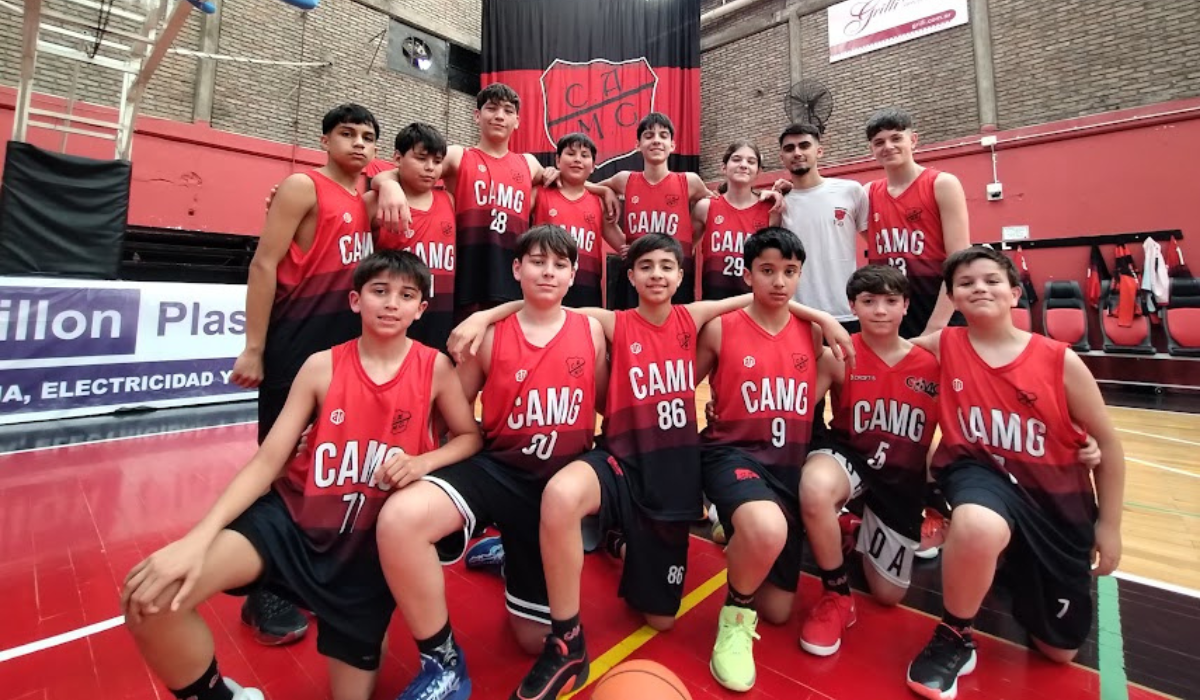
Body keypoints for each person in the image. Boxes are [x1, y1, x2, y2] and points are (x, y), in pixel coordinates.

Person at [449, 233, 851, 700]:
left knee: (665, 620)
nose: (657, 275)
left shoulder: (692, 317)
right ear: (632, 276)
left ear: (681, 277)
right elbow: (545, 303)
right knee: (561, 494)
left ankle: (615, 542)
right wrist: (483, 315)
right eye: (646, 267)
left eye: (666, 266)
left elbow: (762, 295)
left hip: (672, 474)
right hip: (621, 459)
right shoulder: (611, 322)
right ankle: (568, 640)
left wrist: (823, 317)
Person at [121, 251, 483, 700]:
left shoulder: (435, 368)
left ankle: (360, 632)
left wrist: (422, 463)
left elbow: (469, 437)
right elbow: (267, 460)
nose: (392, 303)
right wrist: (197, 539)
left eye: (406, 295)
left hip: (365, 554)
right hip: (294, 523)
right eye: (380, 291)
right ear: (355, 300)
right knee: (152, 600)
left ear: (421, 309)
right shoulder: (320, 366)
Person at [375, 225, 608, 700]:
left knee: (532, 642)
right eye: (537, 262)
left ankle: (505, 551)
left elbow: (607, 402)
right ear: (516, 269)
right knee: (399, 519)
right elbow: (449, 413)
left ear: (573, 274)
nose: (548, 272)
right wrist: (415, 457)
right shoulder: (488, 337)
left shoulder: (592, 330)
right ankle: (442, 660)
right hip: (499, 470)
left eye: (559, 264)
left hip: (558, 488)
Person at [905, 246, 1125, 700]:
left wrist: (1110, 525)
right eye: (966, 283)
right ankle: (955, 634)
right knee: (977, 523)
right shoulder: (945, 345)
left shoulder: (1060, 360)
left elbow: (1108, 445)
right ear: (953, 298)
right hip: (980, 477)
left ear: (1014, 293)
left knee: (1058, 650)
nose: (979, 288)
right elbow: (880, 351)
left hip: (1052, 502)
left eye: (991, 280)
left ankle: (1006, 564)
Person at [229, 103, 381, 644]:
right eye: (347, 133)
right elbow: (263, 264)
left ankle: (301, 571)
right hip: (294, 340)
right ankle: (260, 590)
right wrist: (254, 347)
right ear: (324, 139)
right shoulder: (301, 187)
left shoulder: (364, 198)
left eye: (367, 137)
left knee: (318, 463)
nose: (358, 143)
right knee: (275, 462)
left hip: (338, 350)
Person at [697, 227, 840, 692]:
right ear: (747, 274)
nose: (779, 282)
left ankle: (735, 525)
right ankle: (735, 618)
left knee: (778, 611)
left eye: (790, 271)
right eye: (767, 270)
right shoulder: (721, 328)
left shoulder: (813, 331)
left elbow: (822, 381)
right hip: (731, 453)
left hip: (786, 467)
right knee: (767, 528)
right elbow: (679, 385)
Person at [372, 84, 615, 318]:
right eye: (492, 108)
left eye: (508, 111)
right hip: (468, 278)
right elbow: (408, 172)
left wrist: (601, 190)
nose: (499, 116)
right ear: (477, 115)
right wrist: (388, 184)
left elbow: (569, 182)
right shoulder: (458, 156)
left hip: (512, 283)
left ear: (517, 121)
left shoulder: (529, 164)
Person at [584, 112, 712, 309]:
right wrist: (604, 191)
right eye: (649, 136)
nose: (656, 141)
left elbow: (718, 207)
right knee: (629, 324)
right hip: (636, 271)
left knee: (675, 326)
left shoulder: (690, 181)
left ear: (672, 145)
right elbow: (582, 190)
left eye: (663, 135)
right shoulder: (625, 179)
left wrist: (686, 246)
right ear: (638, 145)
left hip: (674, 273)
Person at [863, 108, 970, 339]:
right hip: (890, 306)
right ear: (872, 149)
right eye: (879, 142)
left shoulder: (942, 184)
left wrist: (936, 326)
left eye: (896, 138)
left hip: (938, 305)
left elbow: (959, 260)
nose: (888, 146)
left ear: (913, 140)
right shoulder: (868, 193)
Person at [775, 123, 870, 330]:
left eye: (804, 145)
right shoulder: (778, 203)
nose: (797, 153)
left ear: (819, 151)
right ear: (782, 158)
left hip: (846, 312)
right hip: (796, 314)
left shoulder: (851, 191)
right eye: (789, 148)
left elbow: (876, 246)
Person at [372, 122, 458, 352]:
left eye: (437, 161)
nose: (430, 168)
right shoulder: (375, 202)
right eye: (421, 158)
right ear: (397, 158)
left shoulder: (449, 201)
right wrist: (387, 183)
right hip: (393, 316)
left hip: (439, 317)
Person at [531, 132, 626, 308]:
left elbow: (623, 245)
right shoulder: (539, 193)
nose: (577, 159)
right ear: (557, 160)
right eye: (570, 153)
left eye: (584, 155)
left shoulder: (599, 203)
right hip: (545, 284)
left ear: (593, 166)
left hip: (586, 291)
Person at [695, 140, 779, 300]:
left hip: (753, 303)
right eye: (736, 159)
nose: (743, 165)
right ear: (724, 167)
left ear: (759, 171)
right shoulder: (705, 207)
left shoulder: (771, 210)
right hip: (714, 304)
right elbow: (684, 251)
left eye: (751, 161)